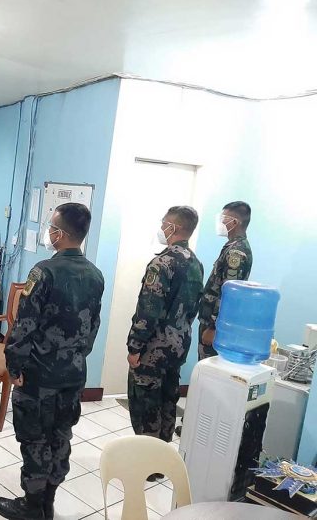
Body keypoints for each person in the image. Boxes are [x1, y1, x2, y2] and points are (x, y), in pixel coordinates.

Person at [0, 203, 105, 520]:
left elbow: (24, 325)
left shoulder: (43, 272)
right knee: (61, 436)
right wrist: (76, 357)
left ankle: (32, 505)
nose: (48, 231)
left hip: (39, 374)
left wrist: (15, 365)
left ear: (59, 234)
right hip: (72, 373)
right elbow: (92, 326)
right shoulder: (95, 275)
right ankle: (48, 500)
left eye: (51, 225)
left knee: (35, 438)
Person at [126, 206, 204, 480]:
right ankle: (162, 460)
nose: (161, 227)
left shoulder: (162, 264)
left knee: (145, 400)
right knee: (168, 398)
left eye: (164, 223)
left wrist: (135, 346)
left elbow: (149, 310)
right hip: (179, 344)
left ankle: (147, 464)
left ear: (174, 228)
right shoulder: (195, 263)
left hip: (154, 348)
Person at [198, 201, 253, 359]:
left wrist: (213, 327)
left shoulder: (236, 252)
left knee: (210, 369)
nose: (221, 222)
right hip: (215, 324)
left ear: (234, 222)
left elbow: (229, 293)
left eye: (224, 218)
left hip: (218, 328)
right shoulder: (234, 246)